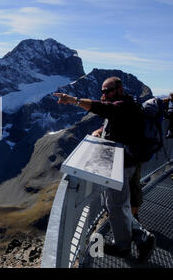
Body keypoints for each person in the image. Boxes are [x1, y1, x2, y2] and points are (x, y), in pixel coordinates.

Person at [54, 77, 156, 263]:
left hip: (123, 166)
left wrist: (73, 100)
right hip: (117, 164)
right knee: (115, 205)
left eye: (108, 91)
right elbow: (114, 118)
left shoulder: (126, 106)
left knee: (116, 205)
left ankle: (125, 246)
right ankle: (142, 237)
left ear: (119, 89)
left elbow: (107, 109)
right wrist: (101, 131)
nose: (104, 95)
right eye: (103, 91)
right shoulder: (123, 106)